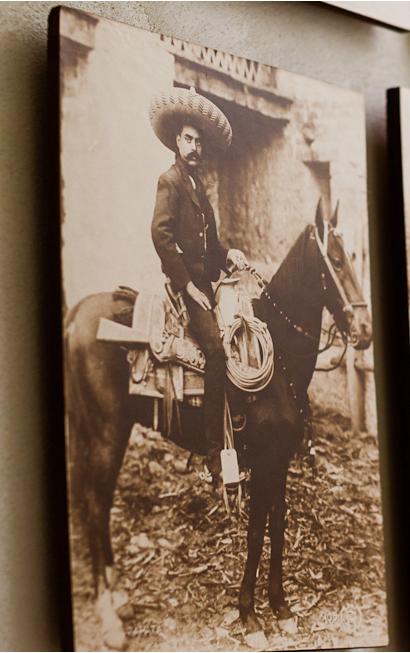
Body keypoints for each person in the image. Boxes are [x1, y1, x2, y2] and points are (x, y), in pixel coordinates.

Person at [148, 87, 247, 471]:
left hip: (207, 285)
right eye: (189, 139)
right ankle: (212, 453)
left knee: (241, 334)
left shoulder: (198, 186)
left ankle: (236, 422)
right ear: (177, 140)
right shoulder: (169, 181)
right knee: (217, 352)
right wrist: (188, 285)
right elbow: (161, 236)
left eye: (199, 142)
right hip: (185, 286)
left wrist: (229, 255)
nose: (194, 147)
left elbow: (211, 245)